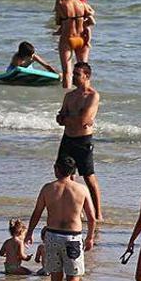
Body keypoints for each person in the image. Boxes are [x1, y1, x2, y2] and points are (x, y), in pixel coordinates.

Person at [25, 156, 97, 281]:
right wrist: (90, 237)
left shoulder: (48, 188)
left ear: (57, 169)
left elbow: (37, 213)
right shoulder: (81, 189)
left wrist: (29, 233)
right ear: (72, 171)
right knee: (74, 276)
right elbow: (92, 218)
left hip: (52, 236)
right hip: (72, 237)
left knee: (55, 278)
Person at [55, 62, 102, 222]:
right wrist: (68, 118)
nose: (73, 77)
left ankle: (98, 213)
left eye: (77, 74)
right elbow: (60, 118)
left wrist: (69, 118)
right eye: (73, 74)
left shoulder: (92, 96)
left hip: (83, 140)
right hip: (67, 138)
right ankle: (76, 209)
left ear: (86, 76)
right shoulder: (69, 96)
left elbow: (84, 120)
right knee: (66, 175)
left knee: (89, 177)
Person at [54, 0, 94, 88]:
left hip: (67, 39)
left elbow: (58, 22)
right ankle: (85, 92)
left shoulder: (62, 5)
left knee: (67, 71)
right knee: (84, 69)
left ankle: (67, 95)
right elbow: (91, 14)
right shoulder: (82, 4)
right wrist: (84, 22)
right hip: (81, 38)